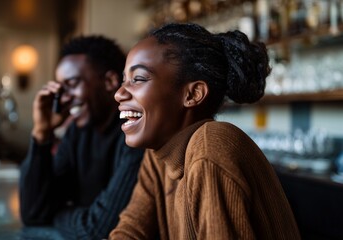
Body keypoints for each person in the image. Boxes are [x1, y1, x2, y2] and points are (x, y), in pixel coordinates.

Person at [109, 22, 301, 239]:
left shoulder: (211, 146)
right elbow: (131, 230)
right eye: (124, 80)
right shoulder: (158, 154)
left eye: (139, 79)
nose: (119, 94)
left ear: (193, 94)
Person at [19, 35, 144, 239]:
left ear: (110, 81)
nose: (64, 97)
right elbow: (33, 214)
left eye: (72, 83)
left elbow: (98, 229)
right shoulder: (77, 133)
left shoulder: (135, 134)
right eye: (61, 88)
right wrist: (41, 134)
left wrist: (56, 214)